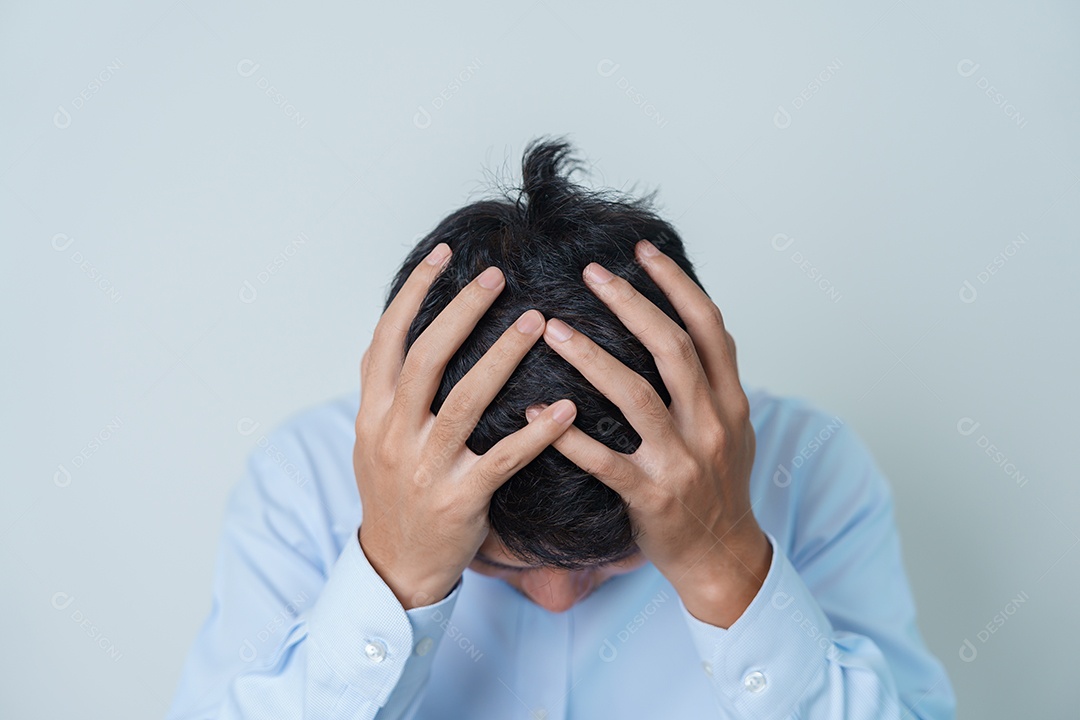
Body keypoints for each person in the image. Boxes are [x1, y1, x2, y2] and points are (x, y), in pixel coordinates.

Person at [165, 138, 956, 719]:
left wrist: (725, 569)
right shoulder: (303, 480)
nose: (553, 600)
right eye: (501, 567)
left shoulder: (811, 470)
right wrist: (393, 581)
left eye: (614, 561)